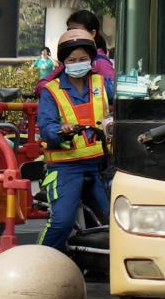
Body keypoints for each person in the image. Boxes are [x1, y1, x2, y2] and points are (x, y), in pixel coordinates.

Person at [36, 32, 111, 251]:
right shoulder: (52, 91)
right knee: (61, 222)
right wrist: (60, 130)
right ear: (63, 62)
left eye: (82, 59)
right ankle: (39, 262)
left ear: (91, 59)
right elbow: (47, 127)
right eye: (71, 60)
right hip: (65, 167)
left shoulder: (102, 84)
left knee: (115, 222)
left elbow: (127, 98)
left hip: (100, 166)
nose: (77, 64)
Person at [38, 9, 116, 89]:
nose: (71, 35)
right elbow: (41, 85)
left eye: (83, 59)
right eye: (69, 31)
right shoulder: (67, 58)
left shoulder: (99, 63)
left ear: (92, 33)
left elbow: (113, 92)